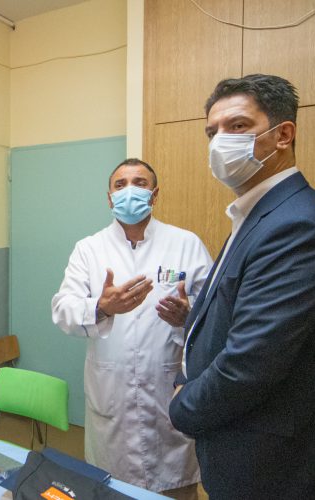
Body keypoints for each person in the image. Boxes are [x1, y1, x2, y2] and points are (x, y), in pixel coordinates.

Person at [169, 74, 315, 499]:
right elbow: (226, 319)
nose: (220, 142)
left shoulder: (297, 227)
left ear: (283, 135)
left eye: (237, 126)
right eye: (212, 132)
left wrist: (182, 405)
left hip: (279, 469)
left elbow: (248, 365)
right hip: (247, 452)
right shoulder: (258, 215)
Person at [51, 158, 213, 498]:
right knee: (113, 489)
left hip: (167, 400)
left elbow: (215, 315)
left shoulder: (186, 244)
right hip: (112, 404)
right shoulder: (89, 249)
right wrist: (101, 307)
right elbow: (63, 310)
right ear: (109, 197)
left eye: (139, 183)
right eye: (120, 184)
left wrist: (187, 318)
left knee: (175, 491)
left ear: (155, 194)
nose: (129, 191)